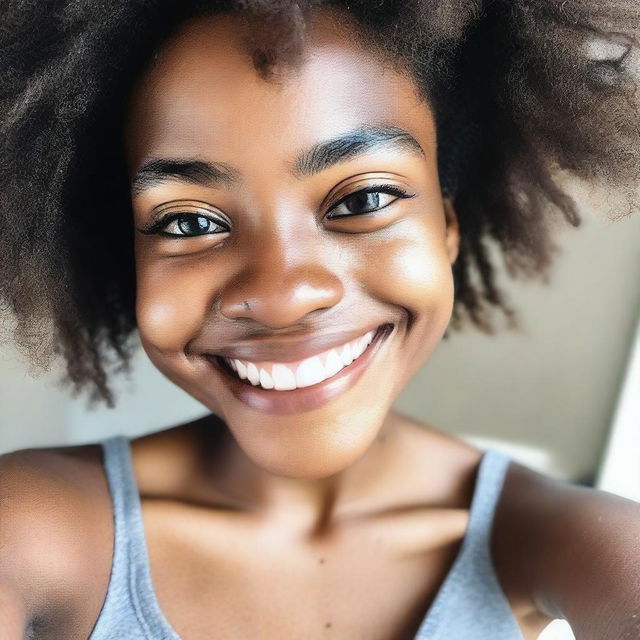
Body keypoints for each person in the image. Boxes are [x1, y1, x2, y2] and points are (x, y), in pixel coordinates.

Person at [0, 1, 638, 639]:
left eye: (363, 200)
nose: (283, 296)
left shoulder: (574, 541)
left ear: (446, 230)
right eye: (189, 222)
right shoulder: (28, 529)